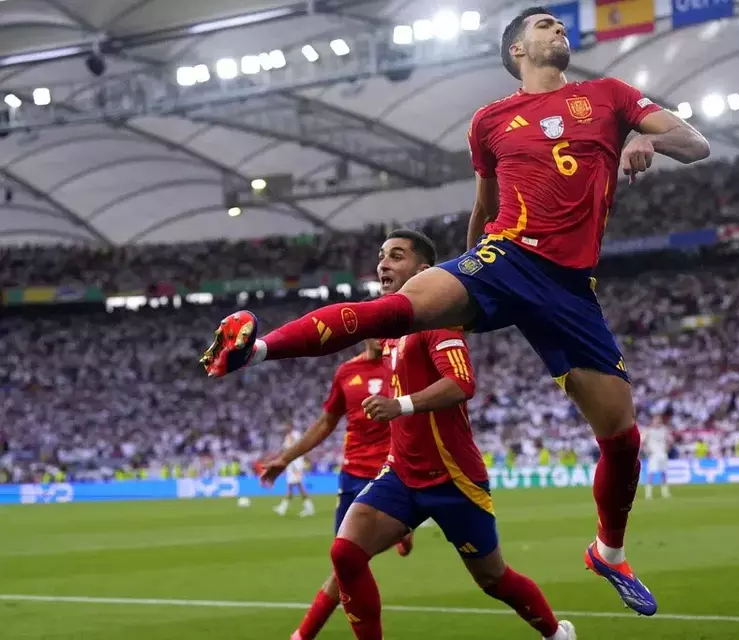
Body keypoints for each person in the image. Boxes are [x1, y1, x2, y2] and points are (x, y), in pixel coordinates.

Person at [199, 6, 709, 615]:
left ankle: (609, 550)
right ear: (516, 49)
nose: (558, 29)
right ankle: (255, 349)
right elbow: (484, 205)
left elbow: (696, 142)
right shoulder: (490, 121)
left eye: (560, 23)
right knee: (399, 307)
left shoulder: (609, 96)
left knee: (622, 438)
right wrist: (460, 272)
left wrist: (645, 135)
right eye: (544, 24)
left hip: (570, 289)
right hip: (506, 256)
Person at [320, 230, 577, 639]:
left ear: (423, 271)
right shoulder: (390, 331)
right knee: (345, 553)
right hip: (402, 474)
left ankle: (555, 633)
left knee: (493, 579)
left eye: (396, 256)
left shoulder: (438, 321)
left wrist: (399, 406)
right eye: (382, 256)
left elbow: (462, 383)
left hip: (452, 477)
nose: (383, 264)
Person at [259, 338, 413, 640]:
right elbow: (325, 422)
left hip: (390, 475)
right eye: (373, 327)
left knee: (353, 561)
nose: (378, 335)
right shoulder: (346, 372)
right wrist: (285, 458)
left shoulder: (401, 365)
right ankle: (303, 635)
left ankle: (302, 634)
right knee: (345, 566)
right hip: (352, 477)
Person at [273, 423, 315, 517]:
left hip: (296, 463)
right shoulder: (287, 437)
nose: (285, 428)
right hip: (291, 463)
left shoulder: (295, 435)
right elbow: (285, 450)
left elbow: (299, 446)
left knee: (298, 485)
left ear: (290, 426)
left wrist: (303, 461)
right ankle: (284, 507)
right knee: (292, 486)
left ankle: (308, 508)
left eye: (287, 426)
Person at [643, 407, 673, 499]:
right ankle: (648, 493)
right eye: (656, 420)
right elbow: (642, 441)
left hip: (662, 454)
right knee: (651, 473)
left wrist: (667, 448)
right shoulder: (648, 430)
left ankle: (665, 493)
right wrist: (646, 450)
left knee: (664, 472)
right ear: (653, 421)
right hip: (653, 454)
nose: (657, 422)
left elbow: (670, 440)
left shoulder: (664, 429)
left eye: (658, 420)